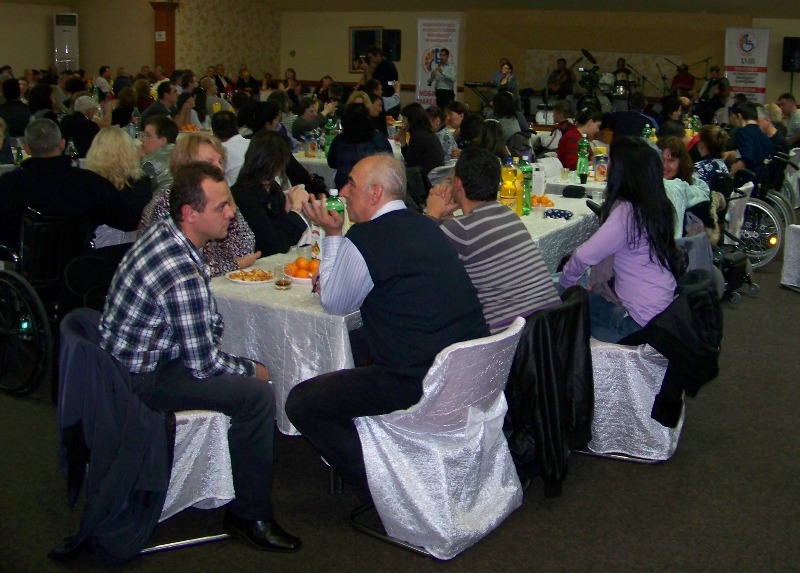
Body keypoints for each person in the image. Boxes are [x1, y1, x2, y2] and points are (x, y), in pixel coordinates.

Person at [99, 161, 301, 553]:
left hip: (124, 363)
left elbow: (199, 323)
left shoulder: (166, 234)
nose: (232, 213)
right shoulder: (180, 270)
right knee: (257, 395)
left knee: (240, 366)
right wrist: (255, 371)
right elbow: (203, 365)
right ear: (190, 214)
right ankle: (251, 515)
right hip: (141, 378)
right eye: (222, 206)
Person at [285, 154, 488, 504]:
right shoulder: (425, 225)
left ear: (375, 193)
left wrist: (332, 234)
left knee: (302, 403)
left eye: (351, 184)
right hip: (466, 368)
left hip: (419, 380)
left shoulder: (367, 237)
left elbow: (335, 303)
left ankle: (388, 489)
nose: (343, 192)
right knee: (360, 338)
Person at [560, 136, 684, 343]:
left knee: (550, 293)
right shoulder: (658, 206)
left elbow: (582, 257)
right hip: (661, 313)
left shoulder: (628, 212)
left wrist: (565, 285)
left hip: (635, 324)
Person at [426, 146, 561, 332]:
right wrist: (446, 218)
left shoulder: (461, 229)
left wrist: (433, 213)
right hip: (551, 326)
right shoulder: (508, 214)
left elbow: (417, 256)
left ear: (457, 184)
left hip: (511, 337)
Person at [0, 118, 145, 253]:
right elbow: (126, 221)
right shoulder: (91, 183)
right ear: (62, 144)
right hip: (75, 264)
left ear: (26, 149)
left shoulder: (7, 185)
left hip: (23, 265)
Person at [137, 132, 260, 277]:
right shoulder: (165, 204)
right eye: (209, 162)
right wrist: (233, 265)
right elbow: (177, 268)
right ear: (187, 167)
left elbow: (245, 249)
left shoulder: (215, 200)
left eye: (220, 162)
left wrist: (230, 202)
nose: (219, 169)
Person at [232, 130, 310, 256]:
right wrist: (295, 209)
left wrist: (288, 211)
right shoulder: (243, 195)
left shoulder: (273, 188)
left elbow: (286, 236)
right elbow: (275, 246)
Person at [85, 126, 153, 248]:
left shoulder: (89, 184)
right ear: (129, 151)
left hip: (96, 249)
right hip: (134, 247)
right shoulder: (142, 182)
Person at [659, 136, 714, 239]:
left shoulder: (691, 189)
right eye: (661, 159)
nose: (664, 165)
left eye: (671, 160)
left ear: (681, 163)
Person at [328, 103, 392, 190]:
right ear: (368, 119)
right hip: (370, 189)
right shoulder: (378, 138)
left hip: (344, 188)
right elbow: (390, 164)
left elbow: (332, 163)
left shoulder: (339, 140)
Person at [724, 100, 773, 181]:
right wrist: (732, 154)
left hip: (749, 181)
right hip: (762, 179)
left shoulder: (744, 132)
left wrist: (730, 174)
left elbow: (747, 158)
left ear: (739, 116)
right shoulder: (763, 134)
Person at [398, 102, 444, 176]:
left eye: (404, 118)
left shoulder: (418, 136)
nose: (402, 122)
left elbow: (409, 165)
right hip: (434, 177)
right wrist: (403, 141)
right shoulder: (426, 132)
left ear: (411, 119)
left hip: (425, 178)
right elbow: (410, 158)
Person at [140, 114, 179, 191]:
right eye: (143, 135)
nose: (142, 139)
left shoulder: (151, 163)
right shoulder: (178, 154)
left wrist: (136, 160)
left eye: (147, 135)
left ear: (163, 141)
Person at [212, 110, 250, 185]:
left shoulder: (220, 151)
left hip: (233, 191)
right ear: (236, 127)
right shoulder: (251, 143)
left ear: (214, 132)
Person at [366, 46, 400, 117]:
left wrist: (381, 84)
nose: (370, 60)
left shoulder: (386, 65)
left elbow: (392, 82)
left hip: (387, 96)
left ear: (377, 55)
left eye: (371, 57)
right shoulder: (381, 65)